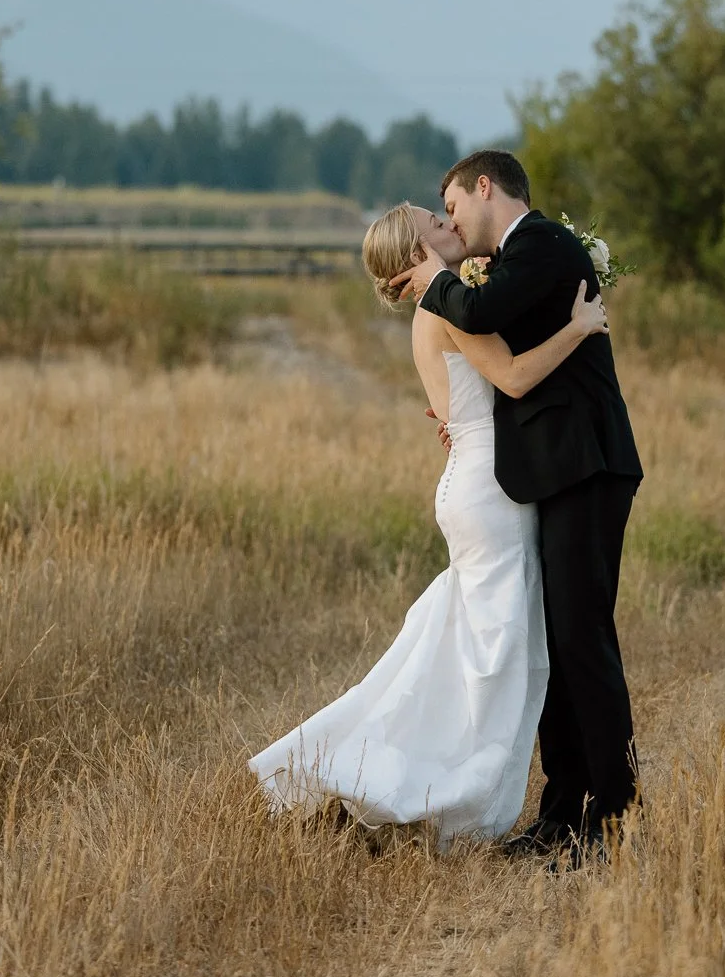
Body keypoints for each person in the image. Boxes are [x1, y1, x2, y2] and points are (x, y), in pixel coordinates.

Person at [248, 200, 610, 848]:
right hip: (488, 493)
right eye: (433, 224)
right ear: (417, 252)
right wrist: (581, 325)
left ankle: (387, 772)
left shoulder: (438, 306)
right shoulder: (444, 304)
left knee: (463, 648)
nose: (448, 226)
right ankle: (403, 785)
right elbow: (518, 378)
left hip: (474, 483)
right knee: (492, 657)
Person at [389, 150, 643, 865]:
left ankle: (613, 817)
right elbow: (505, 364)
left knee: (583, 642)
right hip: (554, 474)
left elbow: (481, 312)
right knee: (559, 646)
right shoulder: (517, 257)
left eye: (454, 206)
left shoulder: (541, 244)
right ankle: (563, 814)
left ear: (484, 187)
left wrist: (437, 278)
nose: (452, 221)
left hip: (588, 470)